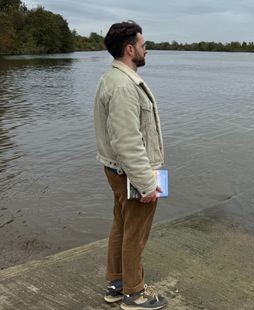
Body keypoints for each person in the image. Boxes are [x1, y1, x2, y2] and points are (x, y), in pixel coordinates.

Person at [94, 20, 168, 310]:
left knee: (122, 226)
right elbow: (127, 141)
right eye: (142, 44)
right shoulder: (124, 86)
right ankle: (134, 293)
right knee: (135, 232)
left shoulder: (111, 79)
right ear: (129, 48)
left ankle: (116, 285)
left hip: (118, 169)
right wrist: (147, 184)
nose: (145, 48)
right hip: (132, 172)